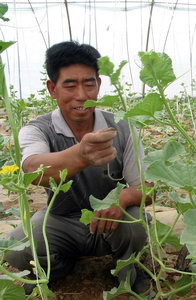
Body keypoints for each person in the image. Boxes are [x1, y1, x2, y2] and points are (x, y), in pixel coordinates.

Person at [5, 41, 152, 294]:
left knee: (136, 221)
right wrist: (81, 155)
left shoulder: (123, 127)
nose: (81, 95)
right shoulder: (37, 129)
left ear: (99, 85)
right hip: (61, 221)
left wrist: (123, 198)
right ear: (52, 89)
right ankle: (61, 266)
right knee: (16, 249)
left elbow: (147, 188)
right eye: (70, 85)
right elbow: (31, 169)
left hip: (111, 222)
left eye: (89, 84)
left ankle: (127, 268)